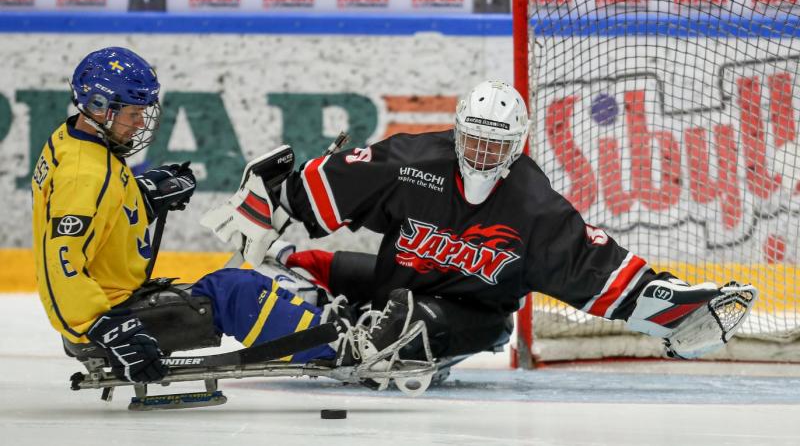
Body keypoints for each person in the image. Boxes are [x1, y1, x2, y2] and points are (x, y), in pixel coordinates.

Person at [203, 80, 758, 371]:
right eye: (474, 139)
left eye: (497, 144)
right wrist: (269, 201)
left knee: (402, 323)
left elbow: (598, 272)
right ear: (457, 132)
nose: (483, 153)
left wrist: (674, 308)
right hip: (395, 286)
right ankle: (341, 315)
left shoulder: (534, 207)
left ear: (516, 146)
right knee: (306, 269)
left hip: (473, 317)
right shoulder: (413, 163)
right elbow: (325, 184)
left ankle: (371, 337)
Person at [32, 47, 377, 387]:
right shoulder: (85, 175)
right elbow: (60, 264)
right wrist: (104, 328)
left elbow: (98, 216)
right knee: (233, 291)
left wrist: (144, 196)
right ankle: (337, 346)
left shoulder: (78, 143)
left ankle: (326, 325)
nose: (140, 123)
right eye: (133, 112)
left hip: (112, 303)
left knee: (244, 282)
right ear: (98, 106)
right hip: (109, 322)